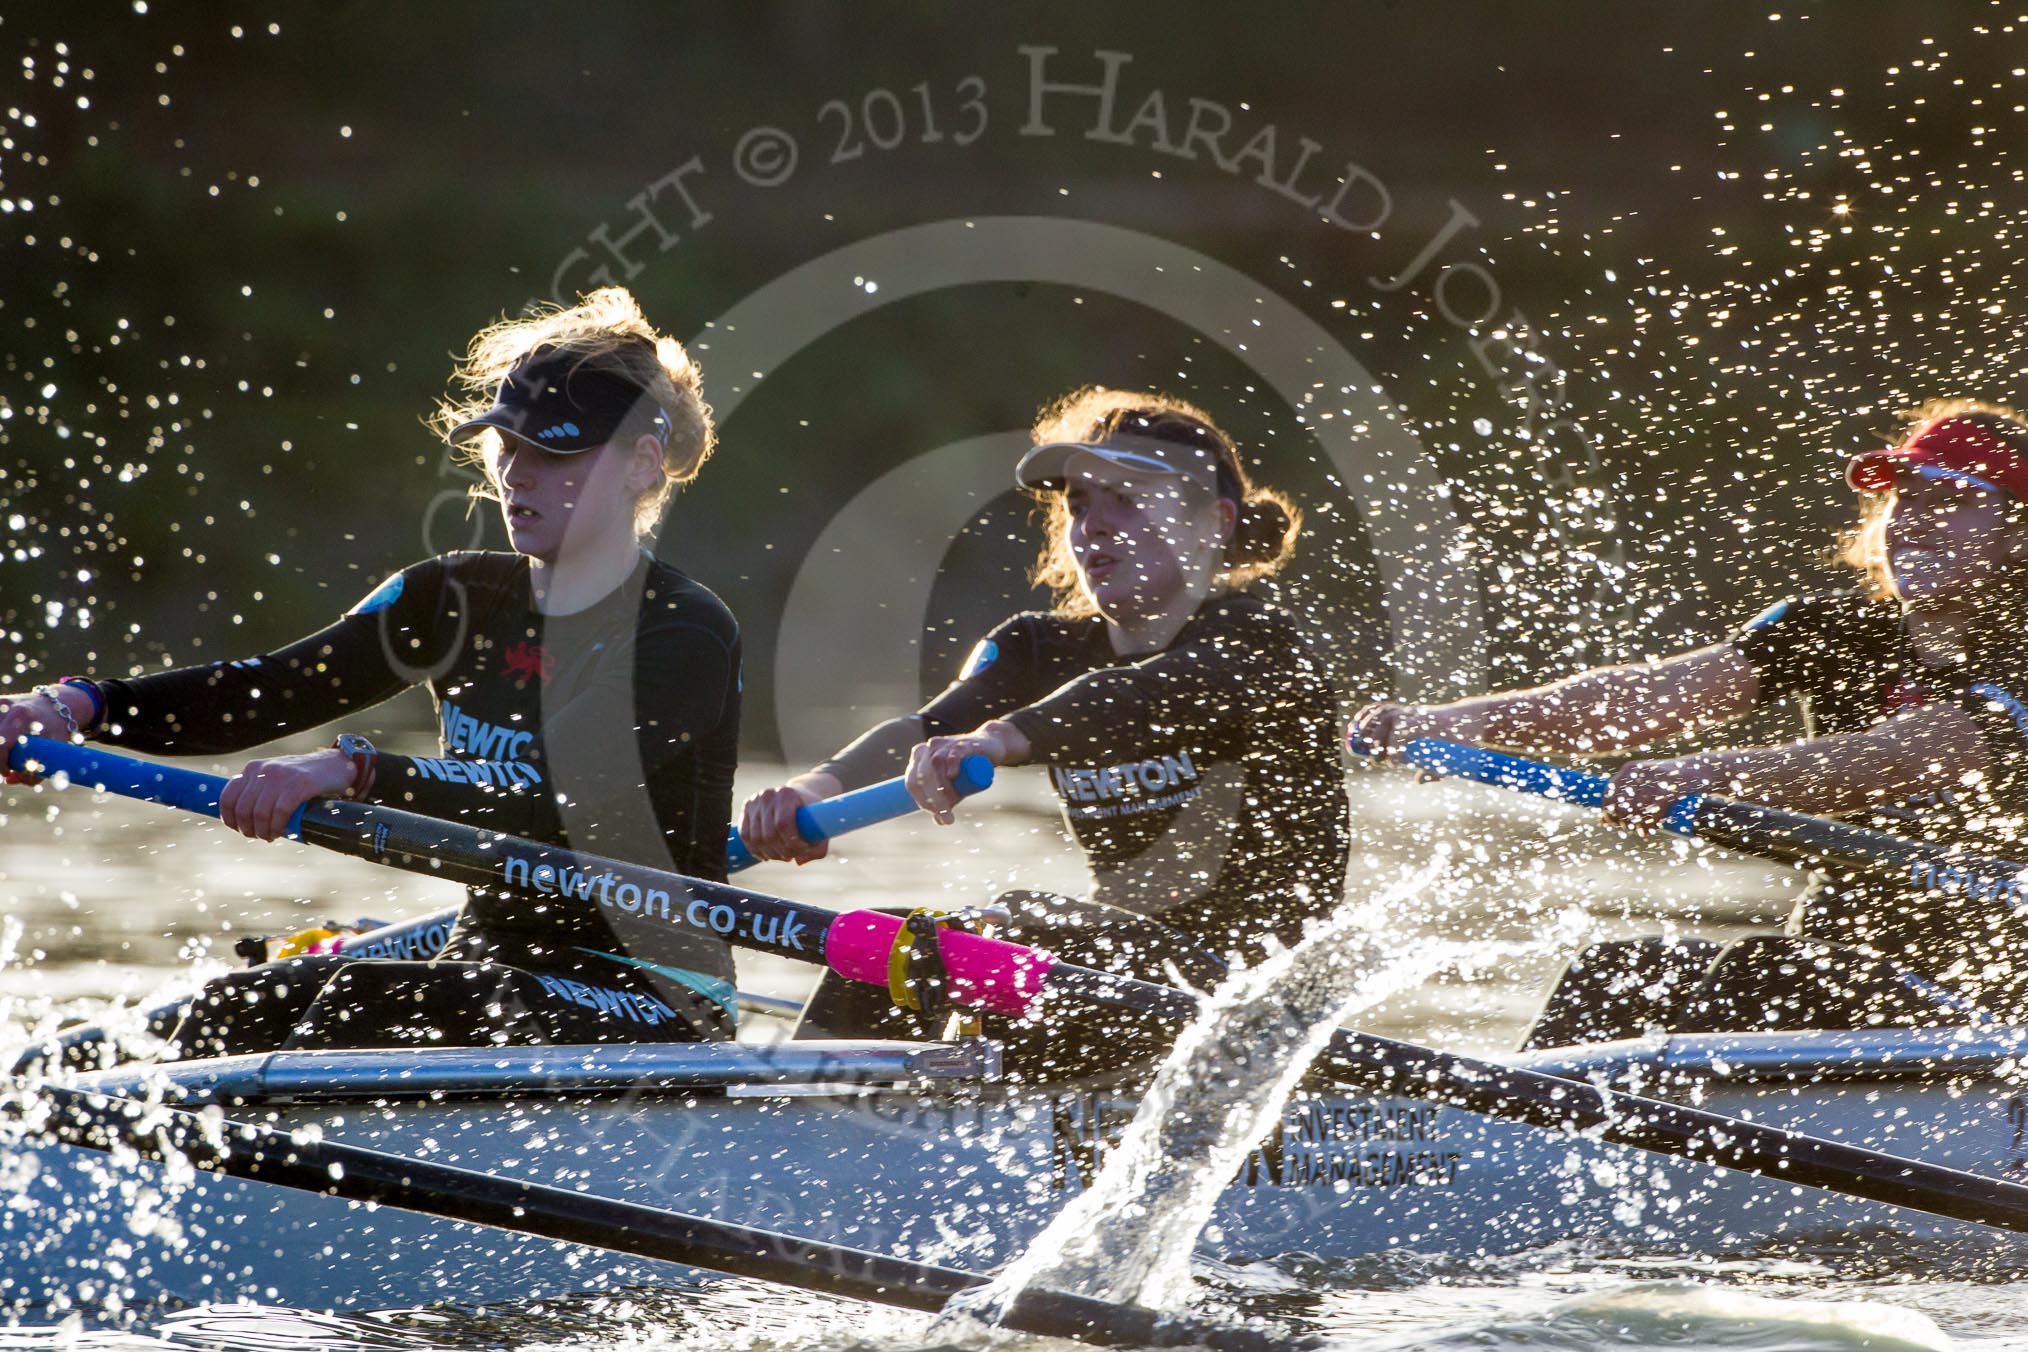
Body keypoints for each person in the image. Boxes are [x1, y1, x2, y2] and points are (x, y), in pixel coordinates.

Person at [0, 286, 744, 1057]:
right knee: (224, 1011)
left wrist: (355, 772)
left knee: (365, 997)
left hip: (652, 995)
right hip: (485, 968)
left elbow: (554, 803)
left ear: (640, 466)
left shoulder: (683, 632)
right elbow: (264, 693)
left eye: (552, 451)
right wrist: (78, 705)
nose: (516, 474)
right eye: (506, 445)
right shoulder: (451, 599)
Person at [1355, 401, 2028, 1038]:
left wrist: (1699, 775)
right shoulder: (1826, 631)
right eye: (1903, 500)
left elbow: (1892, 761)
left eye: (1953, 501)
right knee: (1619, 975)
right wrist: (1456, 722)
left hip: (1991, 993)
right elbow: (1640, 701)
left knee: (1770, 975)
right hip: (1843, 956)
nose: (1911, 521)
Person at [741, 387, 1352, 1077]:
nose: (1091, 526)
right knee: (879, 945)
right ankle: (803, 1126)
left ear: (1214, 521)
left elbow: (1131, 698)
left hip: (1255, 1000)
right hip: (1119, 982)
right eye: (1079, 505)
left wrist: (999, 741)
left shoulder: (1261, 646)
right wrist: (807, 791)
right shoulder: (1039, 649)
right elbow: (925, 727)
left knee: (1010, 926)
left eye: (1126, 497)